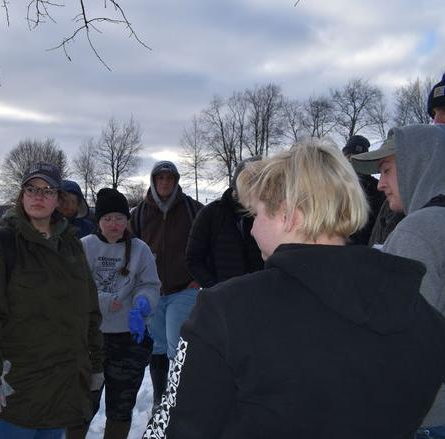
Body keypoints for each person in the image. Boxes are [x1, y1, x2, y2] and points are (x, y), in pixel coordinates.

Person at [144, 138, 445, 439]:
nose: (252, 229)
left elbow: (172, 429)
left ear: (289, 213)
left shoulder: (226, 312)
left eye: (257, 214)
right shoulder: (418, 313)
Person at [0, 163, 103, 439]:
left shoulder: (72, 246)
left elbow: (89, 310)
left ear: (58, 199)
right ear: (22, 195)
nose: (38, 196)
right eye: (32, 189)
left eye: (47, 190)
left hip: (64, 384)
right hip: (19, 385)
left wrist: (96, 363)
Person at [352, 124, 445, 437]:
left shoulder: (417, 231)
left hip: (427, 416)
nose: (380, 185)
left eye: (387, 170)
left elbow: (401, 338)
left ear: (419, 163)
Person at [78, 187, 160, 438]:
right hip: (91, 340)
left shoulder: (140, 249)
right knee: (81, 406)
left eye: (119, 218)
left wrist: (142, 304)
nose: (114, 224)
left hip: (128, 339)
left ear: (127, 220)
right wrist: (103, 300)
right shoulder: (84, 246)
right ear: (98, 221)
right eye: (107, 218)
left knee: (121, 406)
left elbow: (149, 284)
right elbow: (74, 287)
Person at [129, 160, 203, 410]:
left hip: (184, 289)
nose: (164, 182)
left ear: (176, 181)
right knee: (158, 345)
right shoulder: (139, 213)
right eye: (160, 177)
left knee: (177, 343)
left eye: (169, 178)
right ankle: (161, 398)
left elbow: (209, 243)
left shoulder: (193, 210)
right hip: (153, 291)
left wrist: (199, 277)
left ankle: (178, 398)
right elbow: (128, 249)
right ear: (153, 180)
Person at [184, 158, 263, 288]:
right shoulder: (211, 214)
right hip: (223, 298)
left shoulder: (269, 214)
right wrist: (214, 287)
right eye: (248, 184)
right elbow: (193, 259)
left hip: (261, 294)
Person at [340, 135, 385, 245]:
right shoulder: (334, 185)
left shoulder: (378, 187)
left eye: (357, 158)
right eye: (349, 158)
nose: (352, 163)